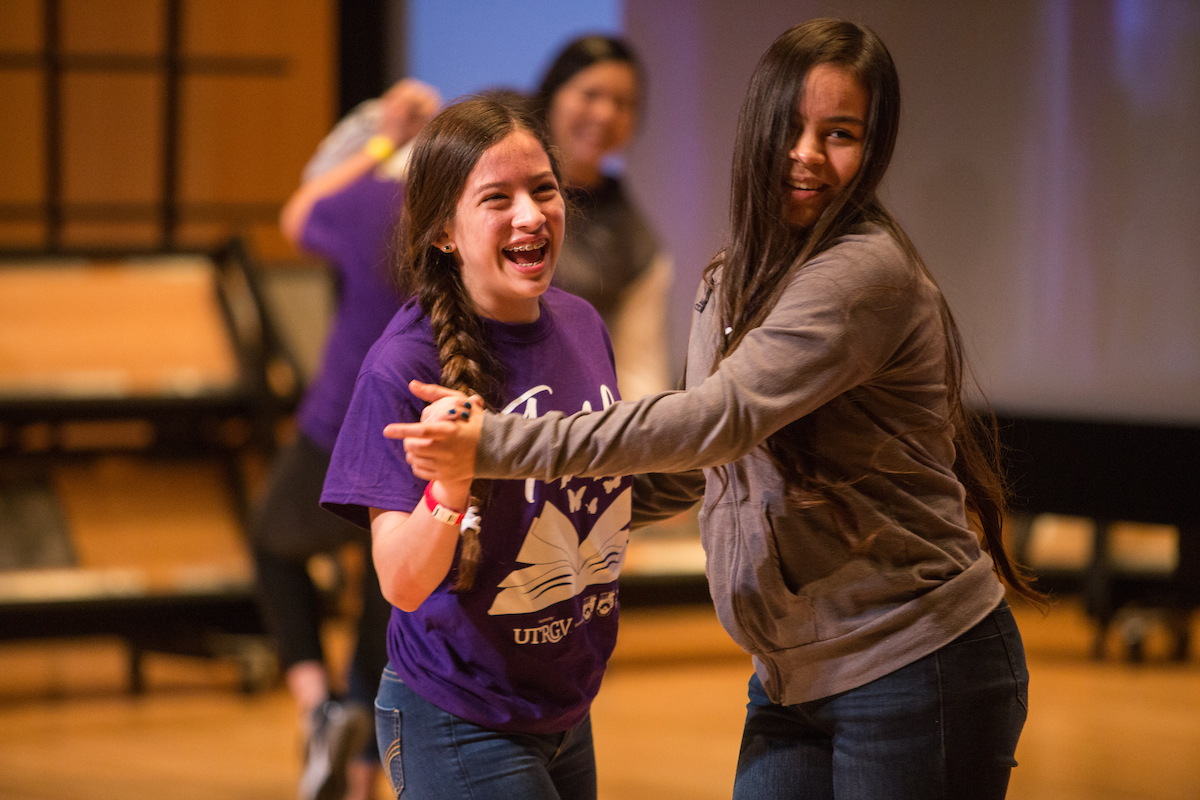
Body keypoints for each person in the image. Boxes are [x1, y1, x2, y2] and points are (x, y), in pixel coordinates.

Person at [388, 19, 1038, 800]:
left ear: (875, 149)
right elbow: (709, 463)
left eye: (840, 134)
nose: (805, 153)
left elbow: (710, 421)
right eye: (790, 127)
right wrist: (546, 518)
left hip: (914, 665)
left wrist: (494, 449)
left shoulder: (864, 275)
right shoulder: (730, 279)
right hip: (792, 671)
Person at [319, 93, 632, 800]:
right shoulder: (403, 366)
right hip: (458, 715)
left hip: (564, 705)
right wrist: (452, 484)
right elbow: (400, 581)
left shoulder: (581, 324)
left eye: (543, 189)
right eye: (498, 198)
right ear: (443, 232)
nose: (531, 215)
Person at [254, 78, 438, 800]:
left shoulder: (367, 202)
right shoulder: (442, 213)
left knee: (273, 543)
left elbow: (297, 215)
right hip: (420, 419)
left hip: (339, 417)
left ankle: (318, 707)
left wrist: (383, 136)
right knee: (384, 593)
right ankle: (361, 750)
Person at [534, 35, 672, 400]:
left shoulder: (635, 238)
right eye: (591, 94)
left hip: (568, 425)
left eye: (623, 103)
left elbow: (638, 368)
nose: (605, 114)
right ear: (553, 93)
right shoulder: (486, 176)